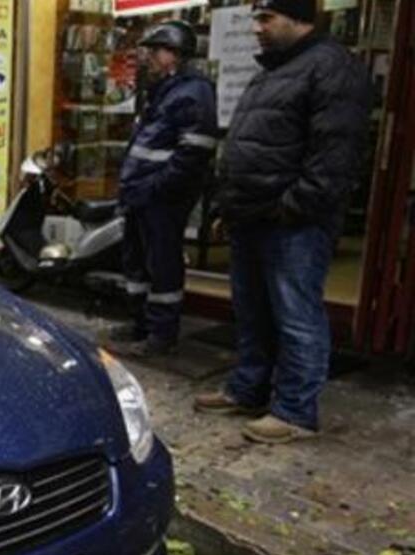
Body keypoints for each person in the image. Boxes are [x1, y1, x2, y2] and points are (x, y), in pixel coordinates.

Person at [194, 0, 370, 444]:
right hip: (252, 215)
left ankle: (294, 411)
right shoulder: (273, 69)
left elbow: (335, 157)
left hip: (292, 220)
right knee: (252, 310)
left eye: (267, 18)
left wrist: (293, 207)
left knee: (296, 314)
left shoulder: (332, 68)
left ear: (299, 19)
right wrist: (228, 208)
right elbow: (250, 144)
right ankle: (249, 389)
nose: (257, 28)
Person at [107, 20, 217, 358]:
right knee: (137, 263)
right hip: (143, 195)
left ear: (175, 55)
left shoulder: (193, 92)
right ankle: (140, 323)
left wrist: (156, 187)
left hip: (162, 199)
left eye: (155, 51)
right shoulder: (164, 90)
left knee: (163, 266)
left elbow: (193, 154)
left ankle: (161, 334)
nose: (148, 58)